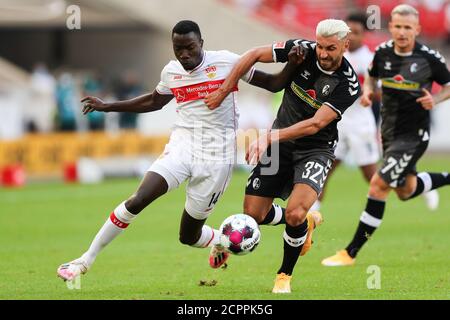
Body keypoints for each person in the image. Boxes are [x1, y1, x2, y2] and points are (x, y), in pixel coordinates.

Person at [56, 20, 302, 281]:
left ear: (201, 44)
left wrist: (293, 64)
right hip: (182, 146)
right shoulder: (171, 72)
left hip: (216, 159)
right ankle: (85, 260)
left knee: (188, 237)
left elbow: (274, 84)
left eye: (190, 48)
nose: (184, 54)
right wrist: (108, 106)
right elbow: (154, 100)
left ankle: (222, 239)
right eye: (178, 49)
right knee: (138, 199)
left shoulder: (227, 62)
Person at [205, 19, 361, 293]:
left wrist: (269, 136)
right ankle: (308, 223)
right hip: (280, 146)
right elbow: (252, 55)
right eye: (320, 46)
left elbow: (315, 124)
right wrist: (223, 89)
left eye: (331, 48)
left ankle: (283, 276)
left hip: (315, 149)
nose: (323, 53)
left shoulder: (348, 84)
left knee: (295, 212)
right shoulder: (301, 50)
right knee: (254, 214)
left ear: (345, 45)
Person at [322, 4, 450, 267]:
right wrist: (368, 92)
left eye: (407, 27)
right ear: (390, 27)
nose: (402, 32)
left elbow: (448, 85)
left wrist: (435, 100)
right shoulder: (382, 53)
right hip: (388, 133)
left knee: (378, 185)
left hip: (413, 135)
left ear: (417, 29)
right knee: (405, 190)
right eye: (398, 26)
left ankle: (350, 253)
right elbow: (370, 78)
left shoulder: (428, 58)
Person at [313, 11, 440, 213]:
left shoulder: (369, 59)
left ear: (364, 35)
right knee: (322, 169)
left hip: (359, 125)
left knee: (372, 176)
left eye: (356, 32)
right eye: (348, 32)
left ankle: (418, 183)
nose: (351, 36)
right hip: (335, 122)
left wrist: (367, 94)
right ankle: (309, 214)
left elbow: (384, 90)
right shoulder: (334, 54)